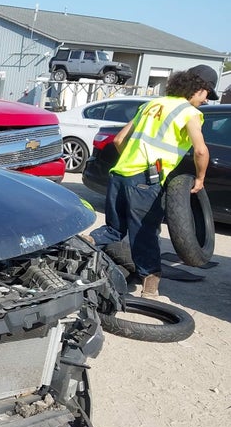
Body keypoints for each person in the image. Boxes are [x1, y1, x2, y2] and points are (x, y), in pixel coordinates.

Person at [85, 64, 218, 298]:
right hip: (146, 179)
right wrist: (200, 178)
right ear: (198, 89)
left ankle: (84, 244)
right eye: (207, 94)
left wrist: (133, 158)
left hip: (119, 174)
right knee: (145, 232)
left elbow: (118, 140)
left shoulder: (152, 104)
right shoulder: (190, 112)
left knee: (115, 228)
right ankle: (150, 286)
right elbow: (200, 151)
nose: (206, 100)